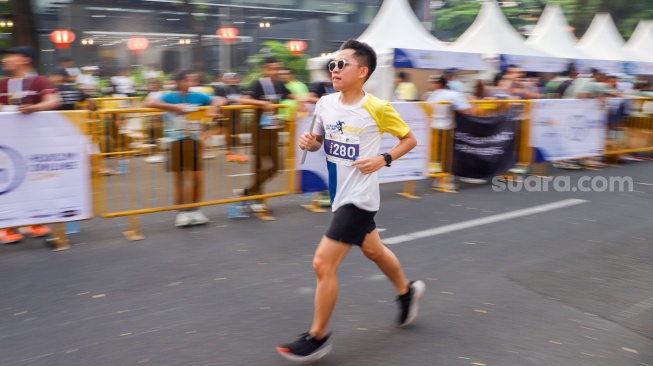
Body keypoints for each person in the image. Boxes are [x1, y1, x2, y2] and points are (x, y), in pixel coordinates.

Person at [276, 39, 424, 362]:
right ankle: (406, 290)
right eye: (333, 65)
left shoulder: (378, 108)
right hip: (339, 194)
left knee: (322, 263)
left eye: (342, 64)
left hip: (360, 197)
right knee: (373, 250)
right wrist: (310, 142)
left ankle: (317, 336)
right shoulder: (325, 105)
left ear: (362, 71)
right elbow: (316, 143)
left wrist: (383, 159)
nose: (335, 70)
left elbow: (409, 139)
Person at [142, 70, 227, 227]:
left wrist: (214, 107)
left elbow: (220, 99)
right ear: (179, 82)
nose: (191, 83)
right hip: (176, 140)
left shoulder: (198, 96)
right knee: (180, 178)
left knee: (196, 177)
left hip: (194, 139)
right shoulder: (170, 96)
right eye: (188, 80)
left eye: (193, 80)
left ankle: (195, 209)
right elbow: (147, 103)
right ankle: (182, 212)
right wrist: (173, 107)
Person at [0, 46, 62, 244]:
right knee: (6, 183)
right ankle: (5, 227)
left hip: (32, 145)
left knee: (33, 182)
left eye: (11, 56)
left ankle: (32, 222)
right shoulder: (3, 84)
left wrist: (34, 107)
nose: (5, 60)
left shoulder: (38, 81)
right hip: (6, 145)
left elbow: (54, 100)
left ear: (25, 59)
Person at [236, 56, 296, 212]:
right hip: (259, 130)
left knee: (277, 166)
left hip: (274, 130)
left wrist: (306, 100)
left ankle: (248, 192)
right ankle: (258, 198)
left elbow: (292, 96)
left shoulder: (280, 85)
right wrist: (262, 103)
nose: (274, 72)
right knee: (258, 165)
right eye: (271, 68)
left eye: (277, 68)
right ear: (264, 69)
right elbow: (243, 99)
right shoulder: (258, 84)